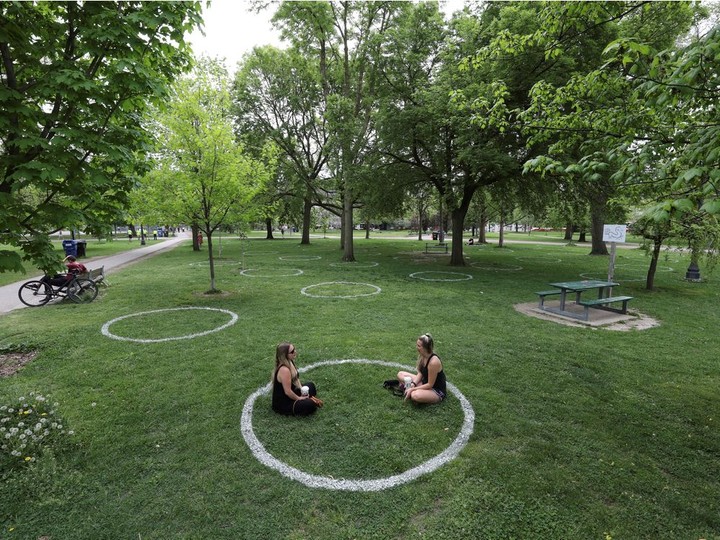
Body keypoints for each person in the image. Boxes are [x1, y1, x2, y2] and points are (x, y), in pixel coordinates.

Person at [271, 342, 323, 416]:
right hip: (284, 402)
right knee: (310, 405)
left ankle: (307, 400)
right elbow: (288, 392)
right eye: (292, 352)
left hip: (293, 391)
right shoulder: (284, 370)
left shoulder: (290, 361)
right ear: (285, 355)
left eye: (294, 349)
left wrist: (301, 389)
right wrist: (299, 398)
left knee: (311, 386)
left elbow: (296, 378)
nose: (295, 352)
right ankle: (308, 401)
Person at [396, 333, 446, 404]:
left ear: (425, 348)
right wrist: (413, 383)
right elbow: (421, 373)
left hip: (435, 389)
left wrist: (412, 389)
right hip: (424, 383)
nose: (417, 347)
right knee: (400, 374)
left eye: (419, 346)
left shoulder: (433, 362)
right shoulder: (423, 355)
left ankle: (409, 390)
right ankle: (409, 389)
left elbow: (430, 385)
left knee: (415, 395)